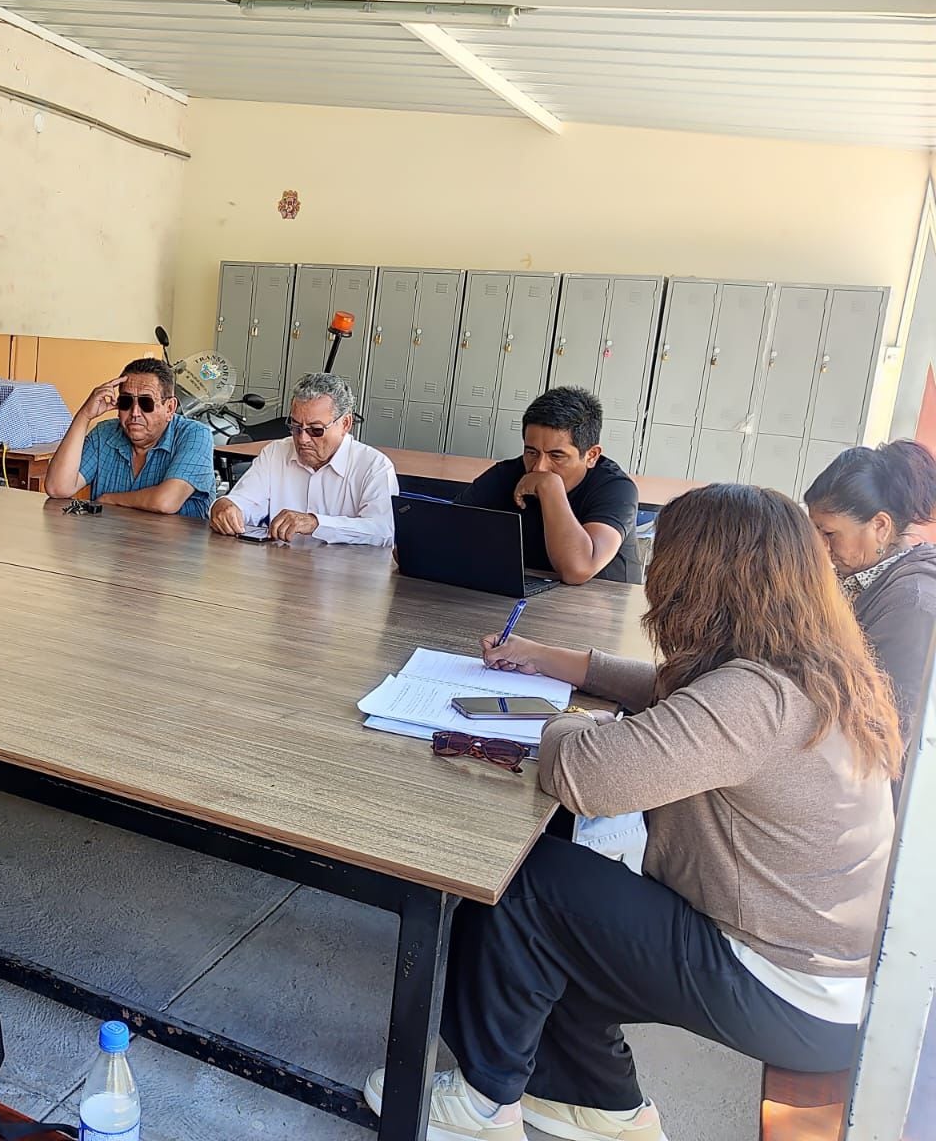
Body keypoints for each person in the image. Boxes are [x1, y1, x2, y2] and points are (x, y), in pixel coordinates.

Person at [364, 484, 901, 1141]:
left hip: (784, 987)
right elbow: (676, 694)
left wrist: (563, 720)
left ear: (701, 576)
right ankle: (594, 1100)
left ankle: (483, 1105)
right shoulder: (805, 664)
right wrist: (558, 661)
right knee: (577, 891)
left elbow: (586, 773)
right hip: (821, 980)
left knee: (526, 882)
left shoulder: (759, 697)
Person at [805, 439, 936, 765]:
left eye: (830, 534)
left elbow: (889, 736)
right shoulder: (860, 578)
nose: (821, 547)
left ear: (880, 526)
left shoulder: (912, 605)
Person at [453, 386, 642, 584]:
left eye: (556, 455)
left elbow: (578, 570)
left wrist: (550, 488)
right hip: (527, 593)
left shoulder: (615, 488)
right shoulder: (507, 474)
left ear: (591, 456)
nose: (539, 467)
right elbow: (447, 530)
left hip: (602, 603)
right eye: (531, 452)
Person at [208, 372, 397, 544]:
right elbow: (246, 501)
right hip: (281, 570)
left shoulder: (374, 466)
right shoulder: (276, 453)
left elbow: (383, 530)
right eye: (296, 427)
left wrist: (317, 523)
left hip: (346, 574)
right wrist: (226, 506)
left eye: (316, 430)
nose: (303, 439)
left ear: (345, 423)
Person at [43, 357, 214, 518]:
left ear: (169, 408)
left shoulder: (195, 435)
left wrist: (110, 499)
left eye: (146, 403)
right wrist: (84, 416)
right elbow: (58, 488)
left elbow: (166, 501)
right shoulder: (105, 433)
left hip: (174, 547)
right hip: (110, 544)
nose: (135, 413)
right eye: (126, 402)